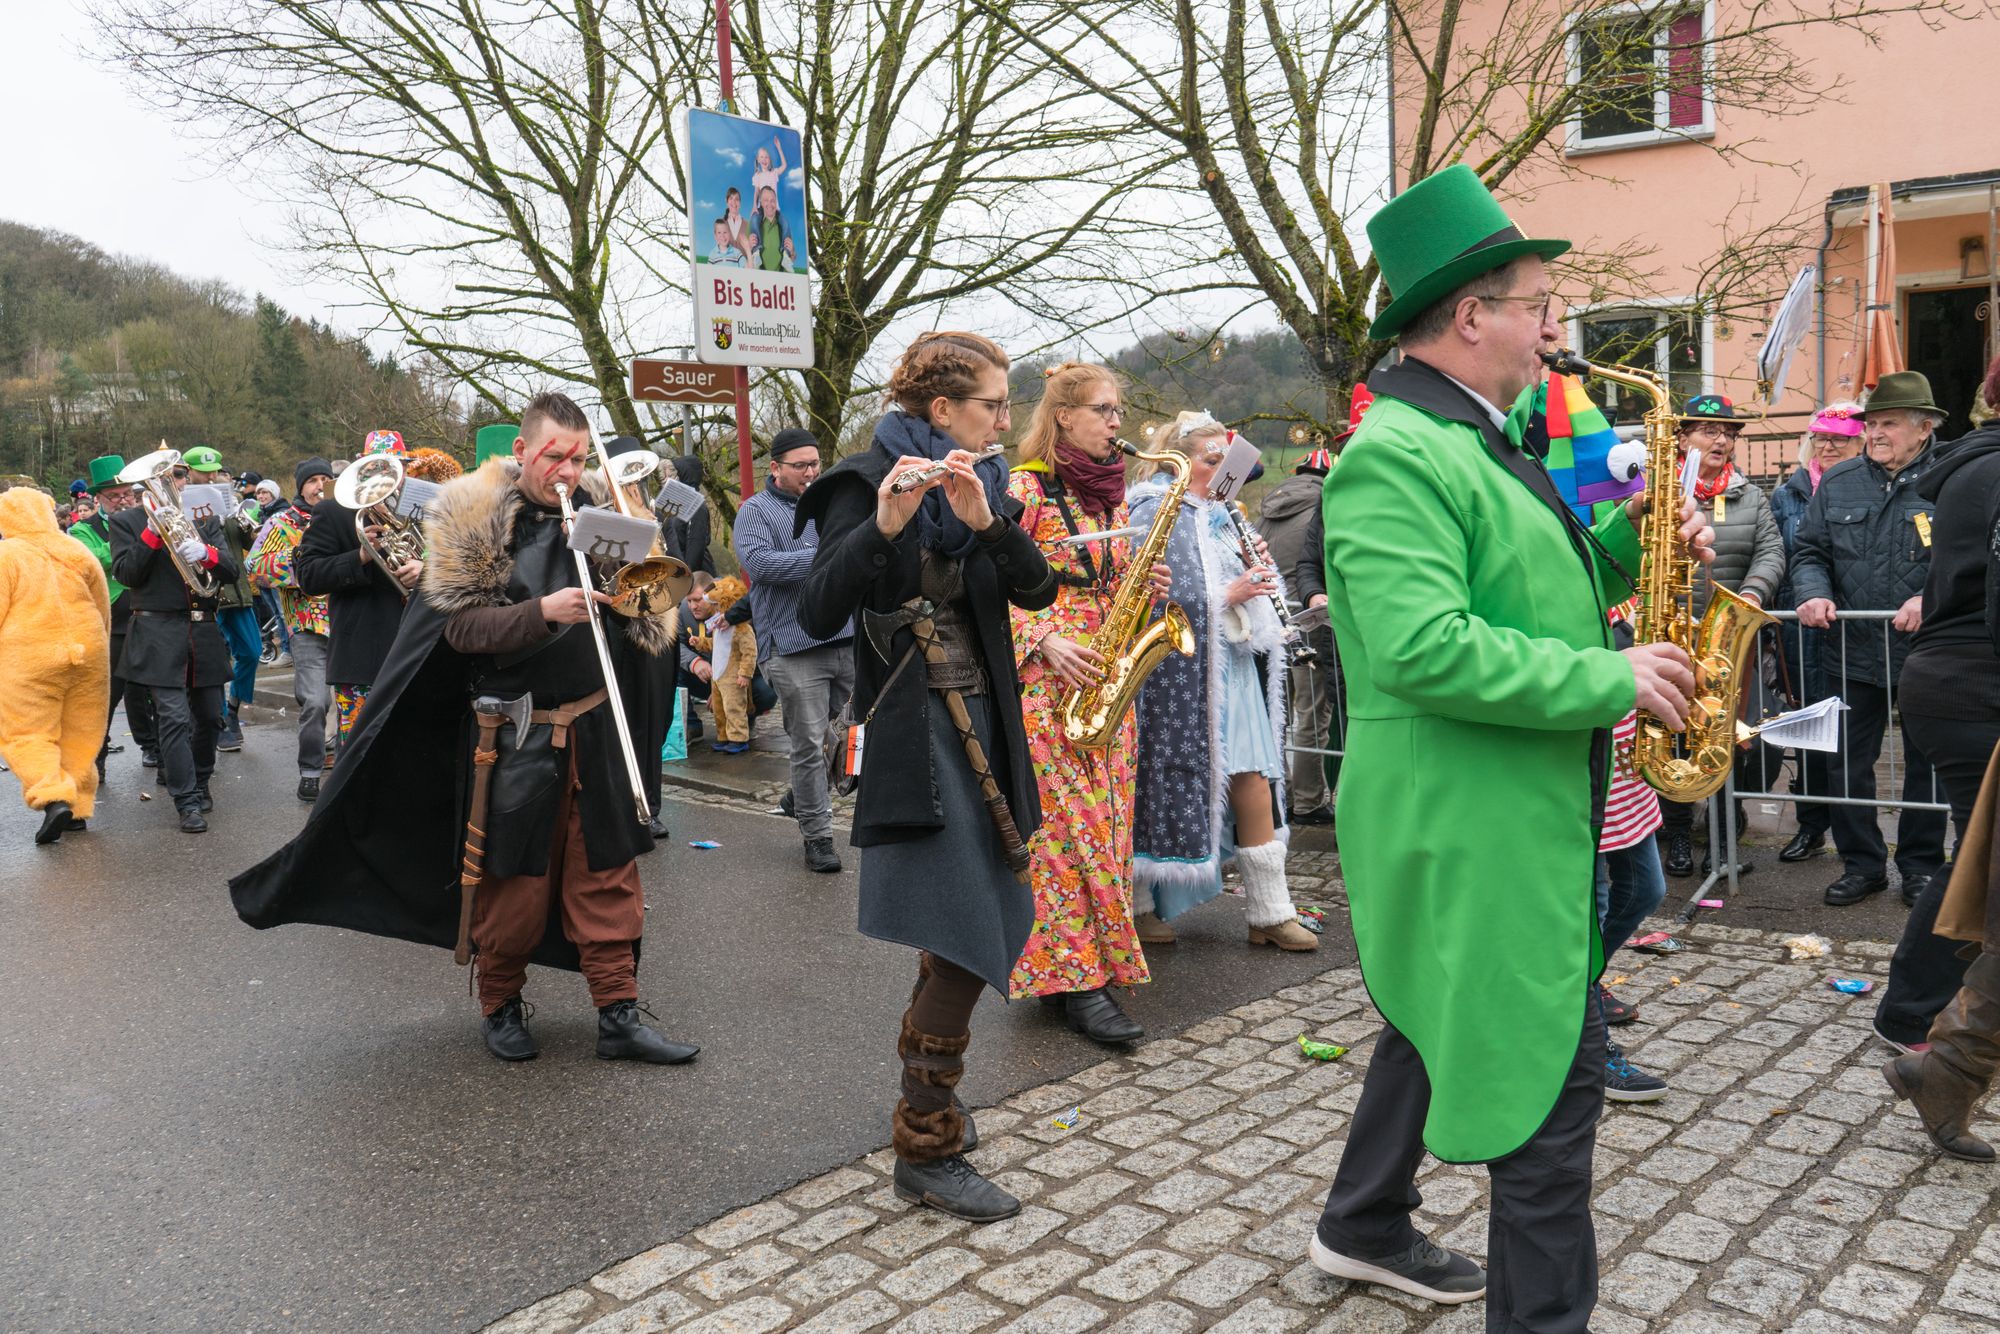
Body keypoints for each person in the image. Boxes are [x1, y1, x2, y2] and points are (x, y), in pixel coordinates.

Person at [1309, 164, 1707, 1325]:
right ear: (1471, 313)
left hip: (1507, 821)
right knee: (1548, 1118)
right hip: (1472, 831)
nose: (1550, 329)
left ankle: (1362, 1220)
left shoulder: (1477, 438)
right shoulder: (1397, 452)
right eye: (1536, 304)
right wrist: (1610, 678)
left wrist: (1630, 540)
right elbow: (1420, 646)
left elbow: (1521, 591)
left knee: (1475, 1048)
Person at [231, 392, 696, 1066]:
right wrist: (542, 612)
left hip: (593, 727)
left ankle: (618, 1013)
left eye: (577, 458)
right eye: (554, 457)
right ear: (522, 451)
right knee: (514, 881)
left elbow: (644, 619)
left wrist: (636, 589)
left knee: (607, 871)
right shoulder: (474, 518)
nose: (567, 471)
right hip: (513, 734)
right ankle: (501, 1004)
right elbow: (458, 631)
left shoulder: (604, 513)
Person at [796, 330, 1056, 1221]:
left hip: (988, 727)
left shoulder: (984, 483)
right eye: (992, 405)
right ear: (941, 409)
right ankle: (926, 1140)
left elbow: (1037, 592)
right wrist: (884, 528)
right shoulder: (860, 482)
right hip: (918, 735)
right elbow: (818, 607)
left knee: (965, 926)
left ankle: (930, 1094)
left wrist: (989, 525)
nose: (1005, 421)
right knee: (966, 924)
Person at [1006, 361, 1168, 1045]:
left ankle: (1071, 971)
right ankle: (1081, 984)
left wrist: (1146, 586)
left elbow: (1112, 584)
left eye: (1117, 409)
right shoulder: (1024, 489)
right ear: (1063, 416)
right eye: (1102, 409)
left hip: (1107, 680)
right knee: (1066, 837)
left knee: (1107, 830)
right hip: (1050, 683)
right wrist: (1041, 638)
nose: (1115, 422)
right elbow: (984, 582)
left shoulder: (1112, 496)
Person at [1127, 412, 1319, 953]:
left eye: (1226, 459)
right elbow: (1144, 596)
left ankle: (1270, 912)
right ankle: (1137, 906)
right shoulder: (1152, 509)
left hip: (1231, 664)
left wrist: (1256, 582)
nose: (1222, 469)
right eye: (1212, 460)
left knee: (1253, 776)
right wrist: (1227, 595)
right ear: (1180, 462)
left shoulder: (1223, 515)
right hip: (1175, 670)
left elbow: (1239, 585)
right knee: (1158, 777)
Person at [1875, 358, 2000, 1059]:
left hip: (1958, 679)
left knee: (1981, 854)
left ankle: (1928, 1009)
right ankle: (1910, 1014)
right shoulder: (1990, 469)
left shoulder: (1974, 465)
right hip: (1970, 686)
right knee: (1981, 860)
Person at [1792, 370, 1950, 908]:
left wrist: (1932, 597)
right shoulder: (1840, 481)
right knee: (1847, 766)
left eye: (1889, 423)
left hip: (1928, 652)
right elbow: (1809, 552)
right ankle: (1862, 865)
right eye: (1872, 424)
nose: (1875, 433)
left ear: (1924, 427)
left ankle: (1921, 866)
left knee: (1927, 764)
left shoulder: (1953, 478)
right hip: (1851, 650)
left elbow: (1972, 558)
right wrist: (1813, 592)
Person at [1655, 395, 1785, 878]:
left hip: (1729, 641)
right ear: (1682, 438)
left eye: (1728, 433)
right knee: (1673, 735)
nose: (1722, 440)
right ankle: (1679, 837)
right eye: (1709, 430)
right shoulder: (1660, 491)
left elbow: (1771, 551)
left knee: (1729, 739)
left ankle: (1723, 841)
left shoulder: (1750, 495)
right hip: (1672, 634)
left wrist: (1748, 596)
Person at [733, 427, 855, 873]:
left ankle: (800, 796)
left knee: (857, 737)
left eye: (815, 464)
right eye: (800, 465)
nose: (810, 472)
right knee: (809, 743)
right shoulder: (754, 511)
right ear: (776, 468)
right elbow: (761, 565)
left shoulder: (832, 503)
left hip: (847, 637)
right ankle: (818, 837)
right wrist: (829, 557)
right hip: (792, 647)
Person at [109, 448, 240, 833]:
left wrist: (207, 553)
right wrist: (152, 533)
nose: (175, 483)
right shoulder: (127, 522)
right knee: (173, 718)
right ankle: (185, 800)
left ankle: (201, 780)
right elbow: (127, 574)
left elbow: (231, 570)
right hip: (157, 632)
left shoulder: (203, 518)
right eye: (169, 477)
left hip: (203, 630)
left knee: (211, 717)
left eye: (178, 476)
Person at [1769, 402, 1866, 864]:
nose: (1828, 446)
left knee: (1851, 737)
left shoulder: (1868, 487)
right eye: (1821, 437)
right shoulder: (1788, 494)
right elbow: (1781, 555)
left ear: (1859, 442)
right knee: (1809, 727)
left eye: (1840, 439)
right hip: (1801, 629)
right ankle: (1811, 826)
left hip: (1853, 629)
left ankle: (1856, 836)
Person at [297, 431, 426, 749]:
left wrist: (427, 569)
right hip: (362, 657)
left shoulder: (423, 508)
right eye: (378, 466)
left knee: (413, 751)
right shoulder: (333, 511)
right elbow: (309, 576)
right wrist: (360, 556)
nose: (390, 475)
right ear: (362, 468)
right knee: (360, 753)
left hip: (417, 651)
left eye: (397, 466)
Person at [0, 486, 111, 844]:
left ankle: (54, 797)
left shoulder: (6, 554)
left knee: (25, 732)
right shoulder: (76, 549)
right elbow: (102, 603)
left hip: (29, 656)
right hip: (89, 650)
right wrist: (100, 646)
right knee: (82, 730)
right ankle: (77, 809)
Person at [1289, 388, 1373, 817]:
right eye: (1348, 444)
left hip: (1379, 640)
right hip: (1335, 639)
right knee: (1335, 721)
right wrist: (1313, 593)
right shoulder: (1330, 498)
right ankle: (1345, 806)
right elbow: (1307, 563)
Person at [248, 461, 335, 802]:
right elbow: (254, 567)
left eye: (326, 479)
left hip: (348, 622)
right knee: (315, 702)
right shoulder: (282, 522)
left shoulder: (347, 515)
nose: (320, 486)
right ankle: (310, 771)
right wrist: (303, 558)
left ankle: (347, 764)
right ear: (300, 487)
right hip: (306, 624)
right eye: (312, 481)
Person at [70, 453, 159, 775]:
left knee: (146, 689)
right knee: (106, 693)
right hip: (110, 621)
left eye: (127, 494)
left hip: (148, 613)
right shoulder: (83, 529)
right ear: (98, 499)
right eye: (114, 496)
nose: (123, 500)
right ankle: (96, 757)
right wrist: (140, 541)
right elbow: (91, 559)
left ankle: (152, 747)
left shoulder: (145, 519)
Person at [178, 447, 264, 752]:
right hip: (205, 594)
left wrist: (245, 521)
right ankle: (216, 721)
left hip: (237, 590)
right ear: (189, 472)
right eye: (205, 472)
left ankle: (233, 710)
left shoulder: (230, 501)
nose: (212, 476)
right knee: (211, 663)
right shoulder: (180, 504)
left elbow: (250, 543)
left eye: (215, 470)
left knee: (252, 652)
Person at [696, 575, 756, 753]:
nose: (715, 609)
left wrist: (745, 673)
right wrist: (700, 642)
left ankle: (738, 738)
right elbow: (715, 645)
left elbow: (750, 652)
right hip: (717, 677)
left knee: (734, 708)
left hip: (732, 678)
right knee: (719, 709)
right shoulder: (718, 627)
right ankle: (723, 736)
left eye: (717, 606)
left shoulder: (742, 628)